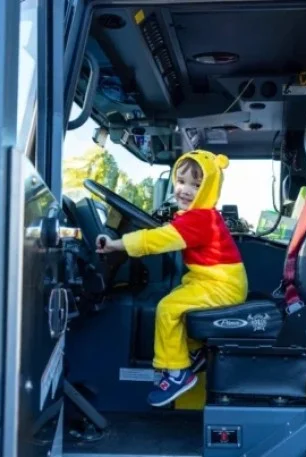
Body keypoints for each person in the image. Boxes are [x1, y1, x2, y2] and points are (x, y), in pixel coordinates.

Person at [96, 150, 248, 407]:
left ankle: (177, 373)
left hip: (222, 287)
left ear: (209, 189)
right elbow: (166, 234)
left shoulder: (201, 219)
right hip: (214, 282)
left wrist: (116, 245)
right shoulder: (197, 217)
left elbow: (159, 240)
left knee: (168, 309)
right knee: (178, 298)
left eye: (196, 185)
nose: (185, 190)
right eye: (181, 181)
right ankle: (193, 352)